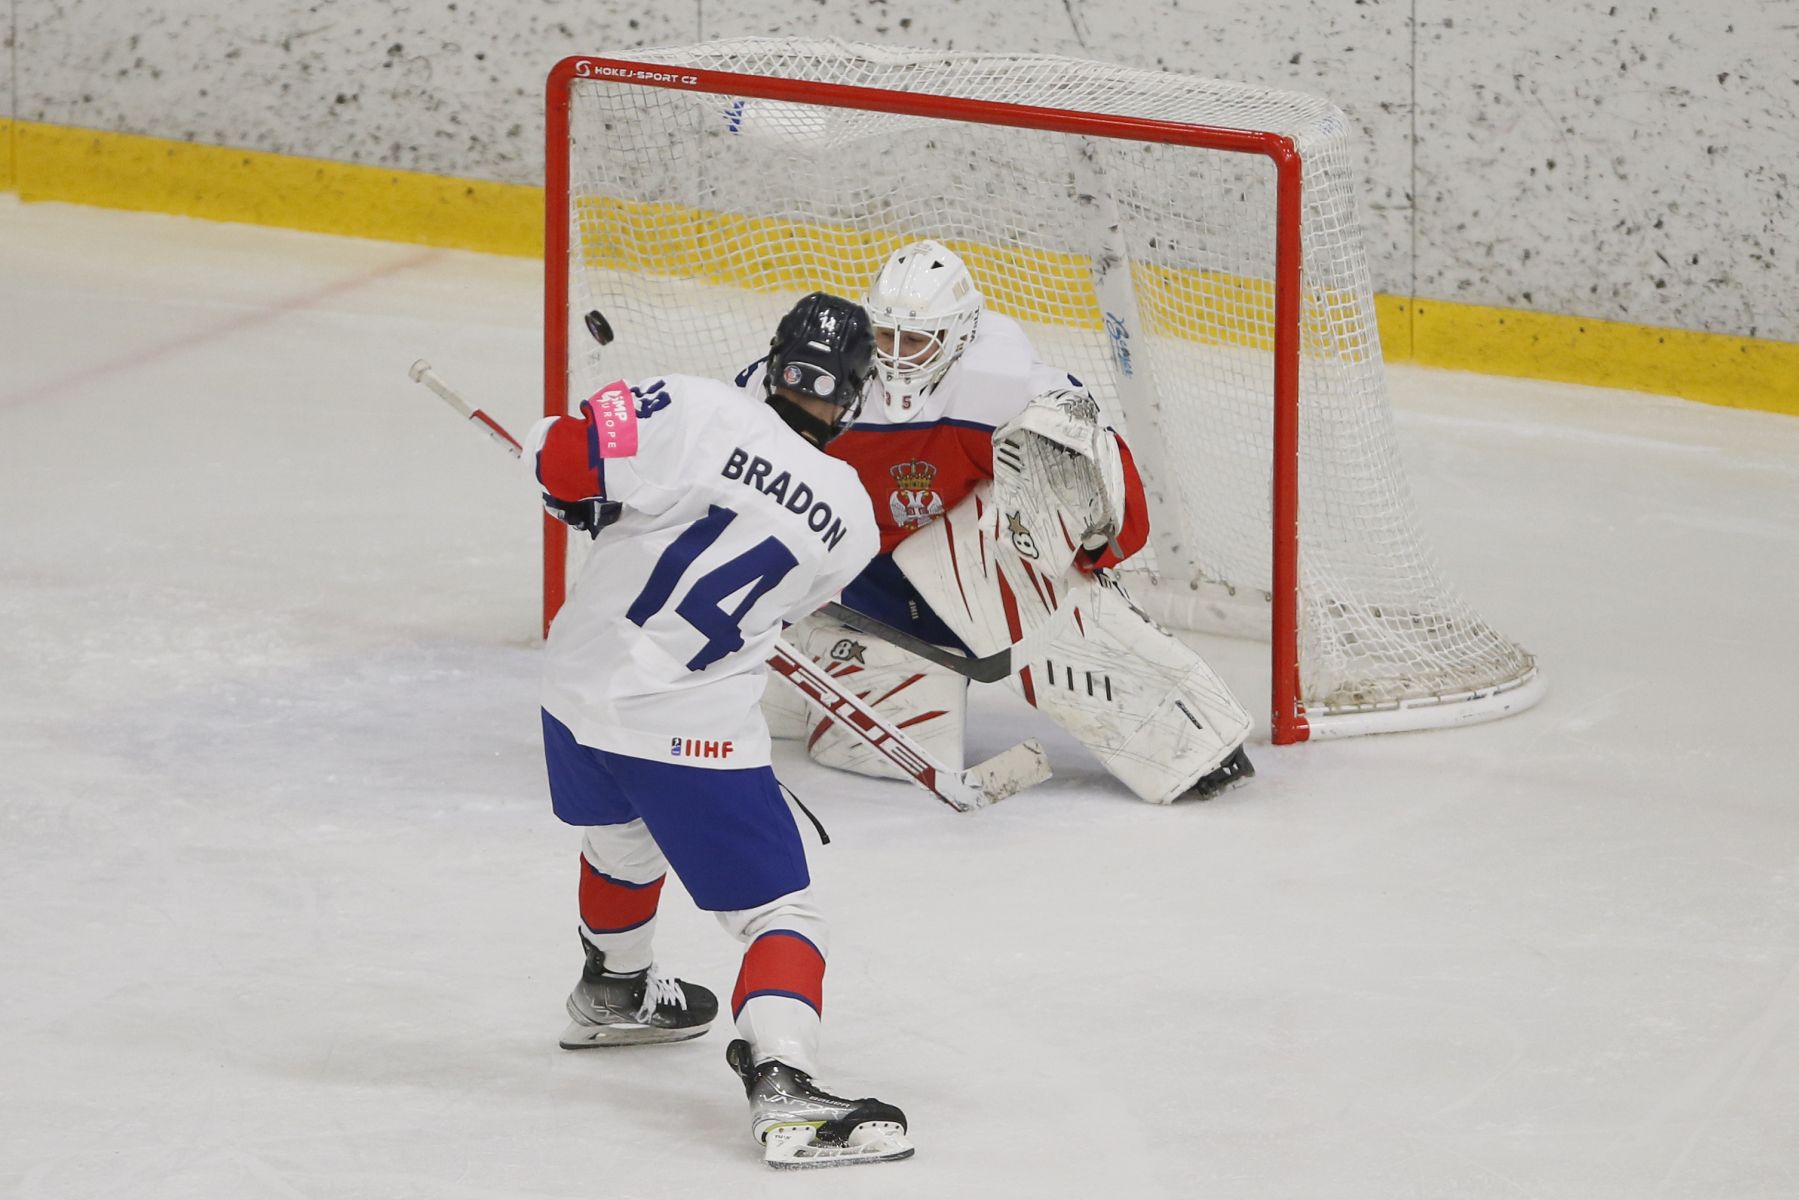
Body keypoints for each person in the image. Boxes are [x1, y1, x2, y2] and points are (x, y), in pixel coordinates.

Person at [527, 292, 913, 1169]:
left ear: (773, 360)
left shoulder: (693, 403)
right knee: (782, 913)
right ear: (853, 396)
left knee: (621, 834)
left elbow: (563, 462)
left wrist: (585, 499)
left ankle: (616, 989)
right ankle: (786, 1084)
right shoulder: (852, 519)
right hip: (685, 726)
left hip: (574, 693)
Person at [749, 241, 1255, 805]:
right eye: (885, 336)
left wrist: (1083, 529)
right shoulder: (821, 380)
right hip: (855, 584)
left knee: (993, 548)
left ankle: (1181, 739)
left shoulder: (1010, 390)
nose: (894, 357)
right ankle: (788, 689)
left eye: (914, 341)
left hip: (964, 574)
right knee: (891, 742)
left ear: (959, 335)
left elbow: (1119, 522)